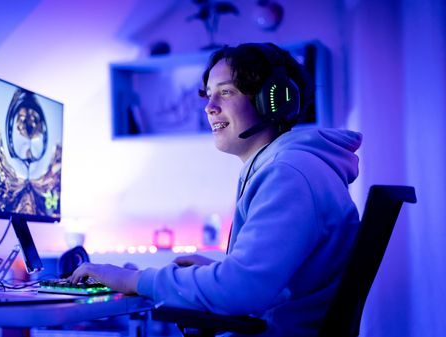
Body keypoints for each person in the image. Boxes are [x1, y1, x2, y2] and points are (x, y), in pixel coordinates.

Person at [69, 43, 362, 336]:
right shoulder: (291, 167)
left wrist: (135, 280)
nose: (209, 107)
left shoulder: (288, 174)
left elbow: (243, 290)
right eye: (209, 95)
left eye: (226, 91)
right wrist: (212, 272)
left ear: (273, 100)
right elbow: (275, 285)